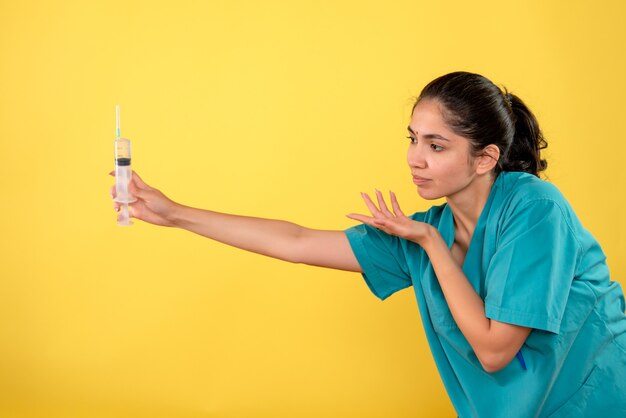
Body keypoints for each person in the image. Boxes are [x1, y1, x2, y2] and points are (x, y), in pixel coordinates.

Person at [109, 71, 626, 417]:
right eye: (413, 139)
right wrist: (174, 213)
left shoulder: (534, 208)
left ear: (486, 157)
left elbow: (495, 350)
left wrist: (428, 242)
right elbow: (295, 240)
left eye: (436, 144)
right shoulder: (424, 232)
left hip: (601, 398)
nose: (414, 159)